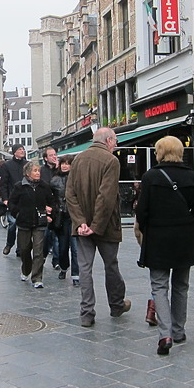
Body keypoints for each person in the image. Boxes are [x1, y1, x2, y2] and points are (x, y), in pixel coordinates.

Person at [136, 136, 194, 356]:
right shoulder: (193, 177)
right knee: (181, 285)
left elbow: (142, 211)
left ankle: (164, 333)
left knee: (159, 285)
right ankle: (178, 330)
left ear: (160, 152)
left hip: (158, 238)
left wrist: (146, 231)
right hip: (184, 238)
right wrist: (190, 229)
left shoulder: (150, 177)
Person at [65, 127, 131, 327]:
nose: (116, 145)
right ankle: (116, 304)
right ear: (109, 140)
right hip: (106, 226)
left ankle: (87, 313)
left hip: (83, 227)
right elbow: (106, 196)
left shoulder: (78, 160)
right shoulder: (111, 161)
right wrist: (95, 225)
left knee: (85, 269)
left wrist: (81, 222)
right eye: (116, 141)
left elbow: (70, 194)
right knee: (111, 265)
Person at [9, 161, 55, 288]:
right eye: (35, 171)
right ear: (28, 173)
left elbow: (51, 201)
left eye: (38, 171)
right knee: (24, 249)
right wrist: (17, 213)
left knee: (38, 251)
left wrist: (49, 212)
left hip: (39, 222)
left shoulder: (44, 186)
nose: (38, 173)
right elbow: (12, 203)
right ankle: (26, 269)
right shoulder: (19, 186)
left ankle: (37, 278)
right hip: (24, 222)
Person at [50, 154, 79, 285]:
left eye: (68, 163)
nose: (65, 166)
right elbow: (50, 197)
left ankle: (76, 274)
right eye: (63, 163)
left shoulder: (77, 179)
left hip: (74, 217)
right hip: (61, 217)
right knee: (62, 247)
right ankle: (63, 267)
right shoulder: (55, 180)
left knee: (75, 248)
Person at [0, 144, 27, 256]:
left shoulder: (27, 164)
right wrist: (5, 198)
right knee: (13, 223)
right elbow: (3, 184)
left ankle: (20, 248)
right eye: (20, 149)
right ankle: (9, 243)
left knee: (23, 226)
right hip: (12, 199)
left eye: (23, 149)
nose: (22, 151)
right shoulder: (7, 166)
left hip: (25, 199)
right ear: (14, 152)